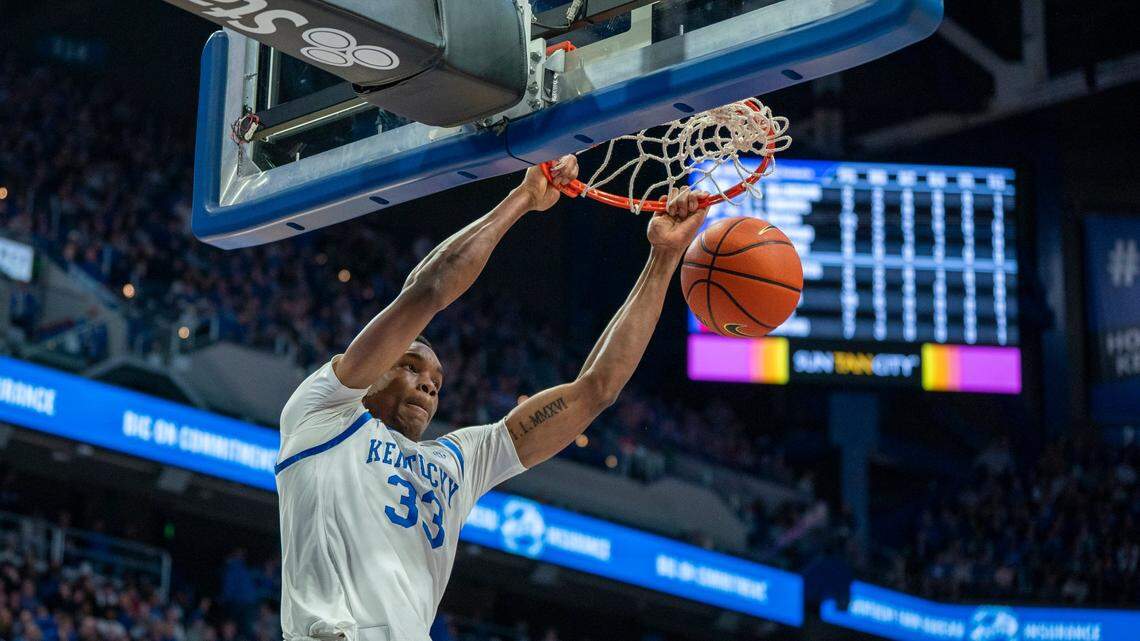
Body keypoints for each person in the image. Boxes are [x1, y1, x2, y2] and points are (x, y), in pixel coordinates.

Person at [275, 155, 711, 641]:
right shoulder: (324, 412)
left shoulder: (456, 463)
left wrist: (664, 258)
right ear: (374, 369)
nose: (429, 383)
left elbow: (596, 391)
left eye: (437, 380)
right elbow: (429, 292)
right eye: (411, 365)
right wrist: (524, 198)